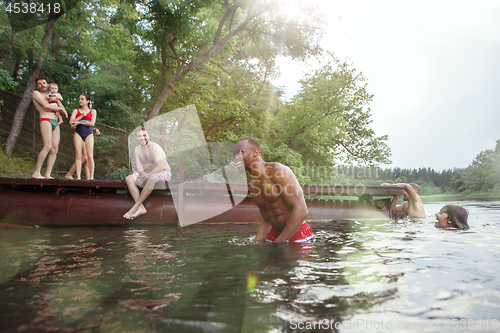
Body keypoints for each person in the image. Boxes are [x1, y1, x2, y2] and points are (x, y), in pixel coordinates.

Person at [233, 138, 313, 243]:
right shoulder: (254, 186)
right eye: (234, 155)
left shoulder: (278, 171)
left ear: (255, 152)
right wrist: (255, 242)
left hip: (298, 235)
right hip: (274, 236)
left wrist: (279, 243)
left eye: (240, 152)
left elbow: (301, 210)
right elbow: (267, 219)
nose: (235, 158)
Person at [124, 127, 172, 220]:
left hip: (163, 172)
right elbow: (139, 168)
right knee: (129, 178)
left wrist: (145, 176)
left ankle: (135, 207)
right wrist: (142, 174)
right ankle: (141, 208)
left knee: (152, 178)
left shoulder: (155, 147)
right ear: (136, 138)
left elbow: (160, 166)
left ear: (148, 136)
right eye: (139, 136)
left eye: (144, 135)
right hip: (147, 173)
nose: (142, 138)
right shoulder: (137, 150)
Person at [31, 77, 68, 179]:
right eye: (39, 84)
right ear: (37, 86)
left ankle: (47, 174)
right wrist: (61, 109)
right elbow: (46, 106)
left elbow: (60, 103)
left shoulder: (53, 94)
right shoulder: (36, 93)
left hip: (55, 122)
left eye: (44, 83)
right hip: (45, 119)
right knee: (47, 146)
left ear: (47, 84)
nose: (42, 85)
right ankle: (37, 172)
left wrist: (62, 109)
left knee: (55, 148)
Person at [69, 94, 96, 179]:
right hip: (78, 133)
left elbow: (92, 123)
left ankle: (91, 177)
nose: (80, 101)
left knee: (90, 155)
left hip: (88, 133)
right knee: (78, 155)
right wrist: (81, 116)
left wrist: (79, 122)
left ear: (87, 101)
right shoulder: (76, 111)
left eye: (82, 99)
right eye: (79, 99)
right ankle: (78, 177)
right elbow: (71, 122)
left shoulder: (93, 111)